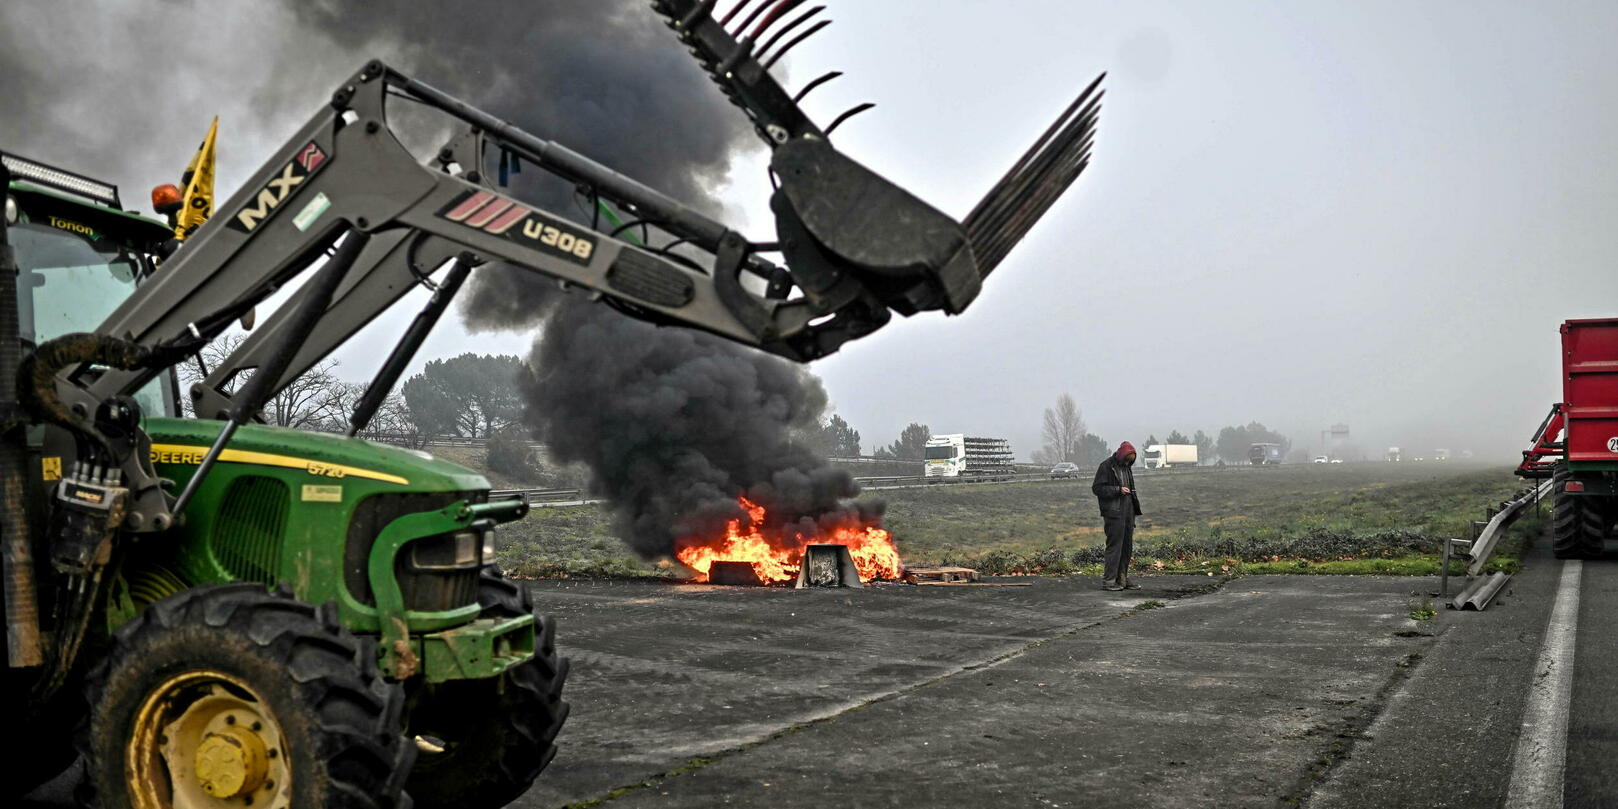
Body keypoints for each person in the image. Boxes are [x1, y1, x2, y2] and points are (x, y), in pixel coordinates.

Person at [1091, 440, 1143, 591]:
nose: (1129, 463)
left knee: (1127, 547)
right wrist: (1117, 490)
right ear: (1122, 455)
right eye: (1128, 459)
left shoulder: (1126, 468)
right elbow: (1097, 488)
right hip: (1114, 514)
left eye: (1131, 461)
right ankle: (1109, 581)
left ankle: (1123, 579)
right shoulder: (1106, 466)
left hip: (1128, 512)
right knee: (1115, 547)